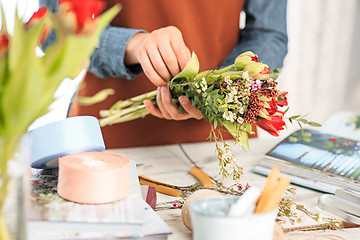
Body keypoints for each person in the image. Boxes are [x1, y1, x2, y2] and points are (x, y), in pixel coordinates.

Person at [40, 0, 288, 149]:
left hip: (218, 137)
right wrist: (133, 45)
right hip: (110, 136)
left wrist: (220, 90)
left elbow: (269, 33)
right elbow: (53, 33)